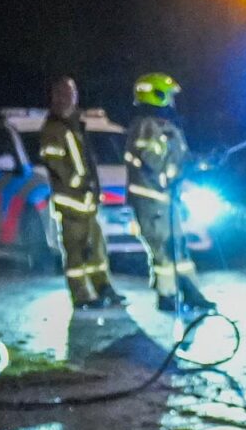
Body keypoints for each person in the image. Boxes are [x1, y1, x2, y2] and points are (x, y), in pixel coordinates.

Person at [125, 72, 209, 313]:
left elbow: (180, 159)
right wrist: (183, 168)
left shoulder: (166, 126)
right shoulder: (145, 127)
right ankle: (167, 295)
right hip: (152, 201)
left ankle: (189, 291)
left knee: (178, 246)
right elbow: (154, 161)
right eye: (170, 95)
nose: (173, 101)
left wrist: (204, 161)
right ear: (157, 95)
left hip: (166, 201)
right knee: (162, 250)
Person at [40, 77, 122, 310]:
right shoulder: (53, 128)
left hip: (87, 200)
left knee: (97, 248)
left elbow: (85, 160)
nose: (69, 97)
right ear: (55, 97)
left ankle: (102, 287)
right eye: (64, 93)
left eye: (72, 93)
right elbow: (56, 163)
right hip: (71, 200)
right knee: (75, 252)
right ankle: (81, 296)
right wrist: (78, 182)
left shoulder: (75, 125)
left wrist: (92, 188)